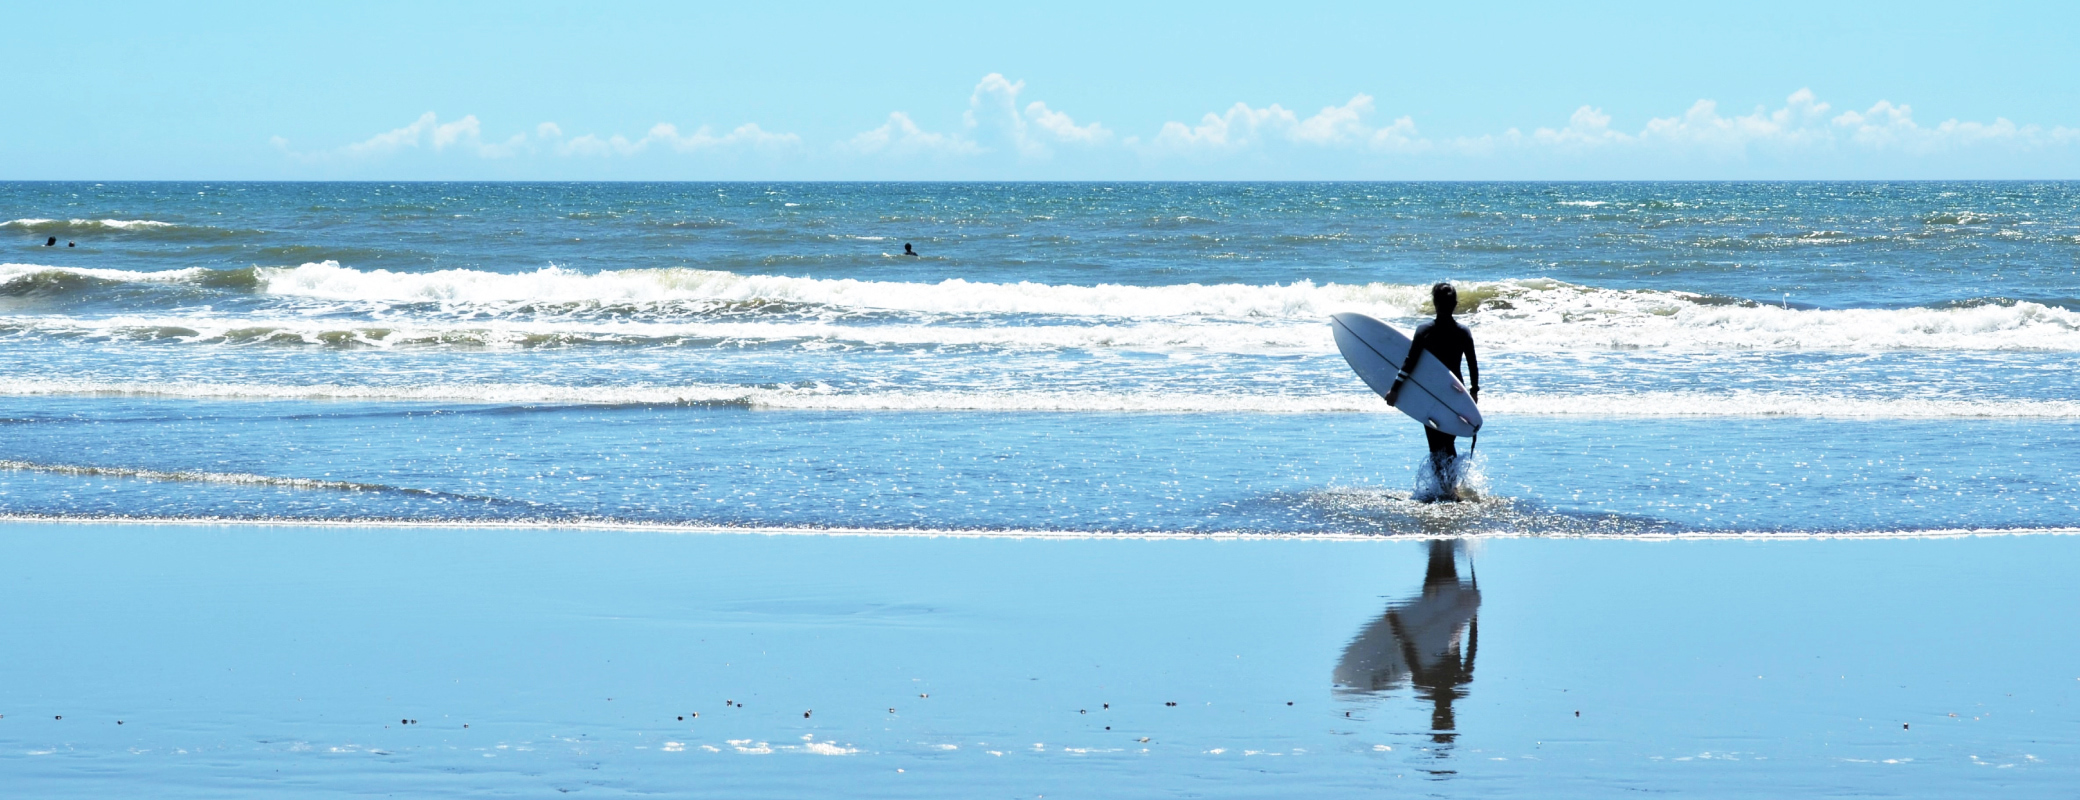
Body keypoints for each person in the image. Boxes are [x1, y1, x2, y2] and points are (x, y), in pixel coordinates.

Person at [1385, 282, 1480, 501]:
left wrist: (1395, 390)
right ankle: (1450, 489)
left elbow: (1410, 363)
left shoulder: (1425, 331)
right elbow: (1473, 365)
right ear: (1455, 304)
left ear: (1434, 303)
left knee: (1435, 445)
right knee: (1449, 442)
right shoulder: (1462, 332)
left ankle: (1445, 489)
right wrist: (1473, 393)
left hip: (1429, 396)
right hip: (1455, 395)